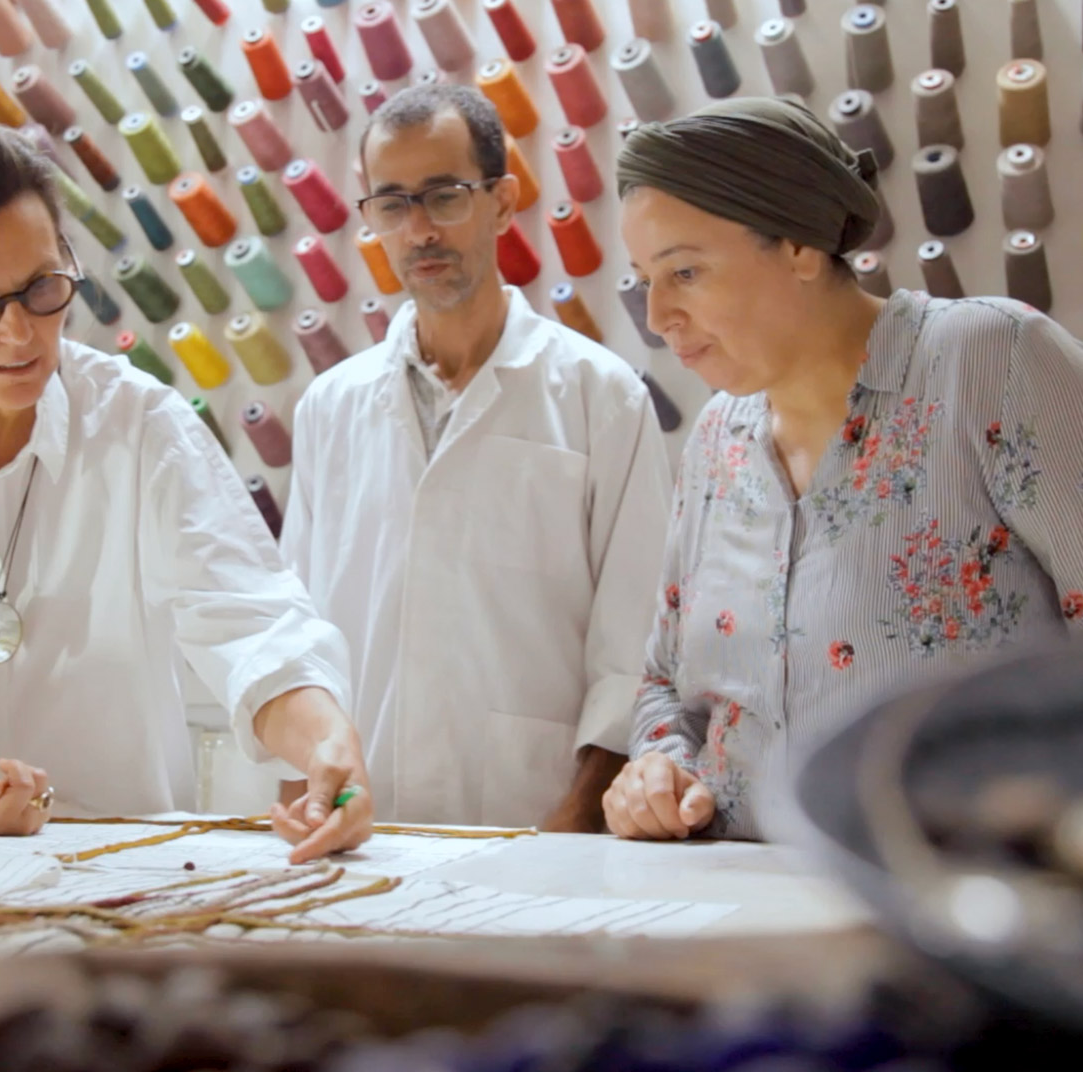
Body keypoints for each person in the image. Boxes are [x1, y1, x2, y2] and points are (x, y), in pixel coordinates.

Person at [0, 122, 372, 862]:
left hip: (115, 862)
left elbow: (247, 620)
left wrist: (326, 743)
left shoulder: (141, 423)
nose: (19, 336)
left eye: (43, 289)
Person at [606, 97, 1083, 841]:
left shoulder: (991, 360)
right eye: (644, 280)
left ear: (798, 244)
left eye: (686, 272)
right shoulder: (716, 440)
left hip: (951, 905)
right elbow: (668, 684)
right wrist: (657, 770)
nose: (658, 313)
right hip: (731, 906)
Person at [280, 85, 672, 830]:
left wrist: (572, 826)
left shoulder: (602, 398)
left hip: (536, 827)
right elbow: (301, 633)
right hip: (361, 832)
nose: (419, 230)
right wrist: (298, 799)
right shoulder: (331, 408)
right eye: (392, 204)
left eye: (444, 196)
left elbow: (635, 647)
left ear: (502, 200)